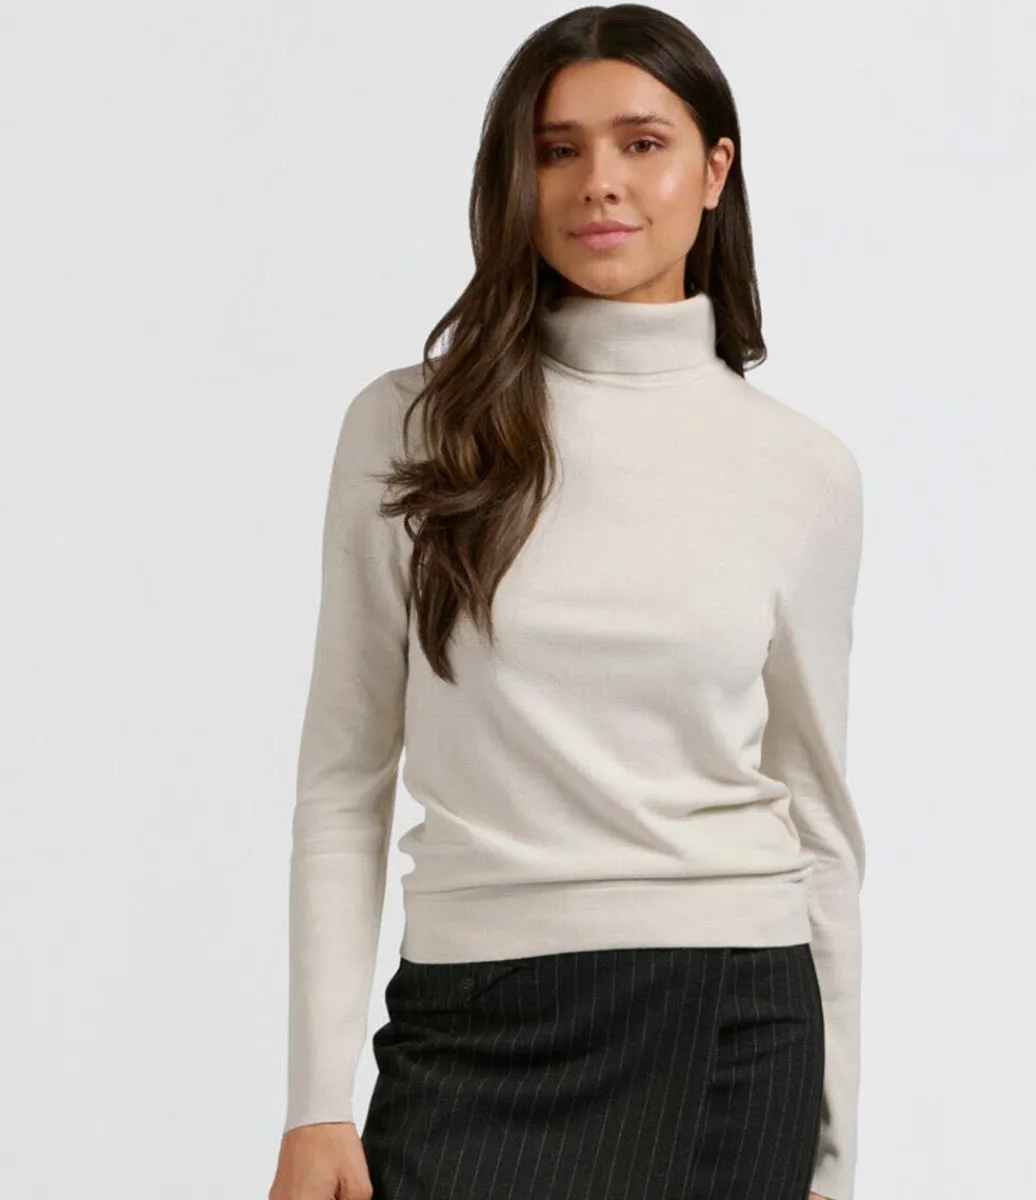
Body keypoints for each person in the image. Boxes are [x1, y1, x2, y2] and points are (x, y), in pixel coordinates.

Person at [268, 6, 866, 1200]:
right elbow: (342, 782)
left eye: (642, 143)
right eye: (557, 150)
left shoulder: (800, 469)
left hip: (731, 1018)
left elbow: (816, 816)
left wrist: (834, 1160)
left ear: (714, 170)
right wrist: (316, 1103)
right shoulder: (412, 430)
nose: (599, 182)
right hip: (474, 1019)